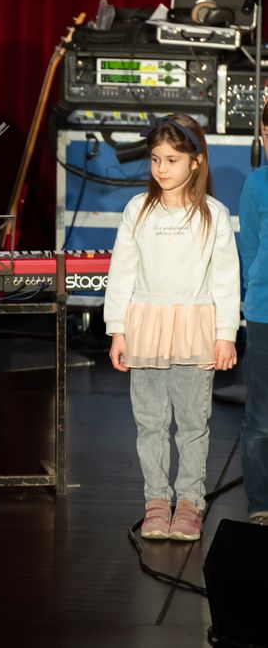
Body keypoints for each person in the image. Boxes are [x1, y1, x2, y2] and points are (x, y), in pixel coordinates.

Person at [104, 113, 239, 542]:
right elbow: (121, 273)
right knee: (150, 421)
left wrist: (225, 335)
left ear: (195, 162)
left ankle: (189, 502)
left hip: (193, 328)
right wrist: (118, 330)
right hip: (146, 326)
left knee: (193, 422)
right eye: (156, 159)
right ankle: (156, 501)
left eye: (172, 160)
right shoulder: (138, 210)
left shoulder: (213, 215)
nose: (161, 169)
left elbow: (225, 278)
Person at [237, 100, 268, 527]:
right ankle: (261, 501)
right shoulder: (256, 185)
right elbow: (249, 250)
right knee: (261, 416)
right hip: (264, 314)